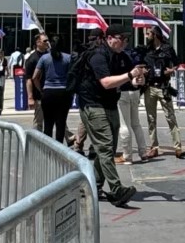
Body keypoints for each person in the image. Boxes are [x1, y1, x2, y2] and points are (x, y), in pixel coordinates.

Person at [73, 27, 140, 206]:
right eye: (121, 38)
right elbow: (106, 82)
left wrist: (135, 81)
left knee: (108, 148)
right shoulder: (98, 56)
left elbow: (126, 81)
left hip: (109, 105)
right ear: (109, 38)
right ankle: (117, 189)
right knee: (104, 147)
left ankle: (92, 185)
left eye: (127, 39)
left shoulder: (120, 57)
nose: (125, 42)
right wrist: (129, 75)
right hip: (92, 105)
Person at [141, 27, 184, 160]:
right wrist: (144, 70)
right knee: (151, 118)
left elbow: (177, 64)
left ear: (155, 35)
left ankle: (178, 147)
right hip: (149, 87)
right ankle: (154, 148)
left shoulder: (167, 48)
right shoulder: (146, 50)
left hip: (163, 87)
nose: (146, 36)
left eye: (149, 33)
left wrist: (171, 70)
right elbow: (140, 64)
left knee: (170, 117)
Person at [34, 35, 74, 143]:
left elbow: (34, 77)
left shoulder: (44, 58)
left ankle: (48, 150)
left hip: (48, 92)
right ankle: (59, 149)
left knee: (48, 124)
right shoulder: (68, 58)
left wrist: (41, 89)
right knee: (61, 124)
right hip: (63, 92)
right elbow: (72, 76)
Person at [115, 38, 148, 165]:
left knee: (124, 125)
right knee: (136, 123)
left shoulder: (119, 57)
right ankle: (143, 152)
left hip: (123, 91)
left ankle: (127, 156)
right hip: (135, 91)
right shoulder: (132, 56)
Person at [25, 34, 49, 133]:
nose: (47, 42)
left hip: (50, 92)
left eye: (48, 40)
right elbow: (29, 79)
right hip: (39, 94)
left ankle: (69, 138)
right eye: (45, 41)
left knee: (57, 117)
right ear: (38, 43)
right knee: (39, 120)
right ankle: (37, 139)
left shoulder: (50, 55)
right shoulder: (32, 59)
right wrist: (30, 97)